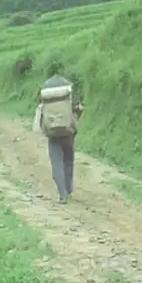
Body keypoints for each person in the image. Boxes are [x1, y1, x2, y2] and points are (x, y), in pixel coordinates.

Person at [36, 74, 84, 203]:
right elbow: (79, 108)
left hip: (52, 134)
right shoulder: (68, 93)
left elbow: (41, 113)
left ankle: (62, 194)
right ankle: (68, 189)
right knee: (68, 160)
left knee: (56, 163)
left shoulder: (46, 95)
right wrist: (75, 119)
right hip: (69, 132)